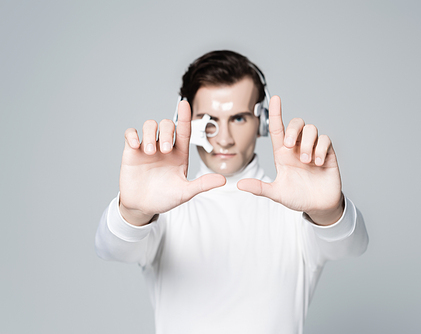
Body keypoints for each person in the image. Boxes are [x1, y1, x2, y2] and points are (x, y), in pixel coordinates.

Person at [95, 50, 368, 334]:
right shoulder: (163, 210)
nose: (223, 138)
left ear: (260, 122)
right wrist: (133, 211)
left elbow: (353, 244)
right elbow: (110, 248)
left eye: (238, 119)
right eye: (209, 120)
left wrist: (329, 211)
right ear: (184, 120)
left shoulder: (296, 209)